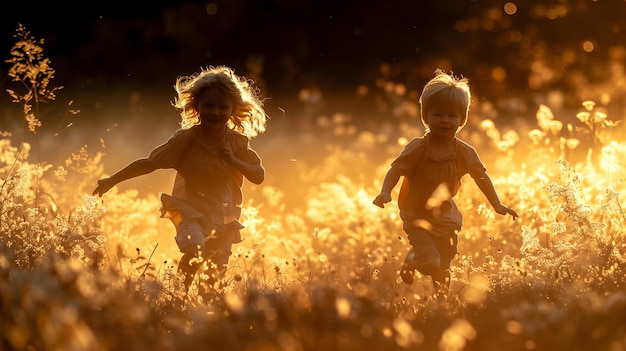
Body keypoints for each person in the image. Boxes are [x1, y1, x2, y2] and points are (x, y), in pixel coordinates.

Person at [93, 66, 268, 293]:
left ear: (233, 109)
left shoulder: (237, 143)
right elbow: (149, 163)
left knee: (215, 274)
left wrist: (234, 161)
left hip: (223, 216)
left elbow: (258, 175)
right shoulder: (185, 141)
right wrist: (113, 179)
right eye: (209, 105)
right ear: (196, 107)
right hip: (191, 210)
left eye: (222, 107)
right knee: (194, 248)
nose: (215, 112)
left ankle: (205, 308)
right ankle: (179, 292)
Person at [373, 69, 518, 295]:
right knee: (430, 262)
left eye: (452, 116)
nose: (445, 120)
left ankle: (442, 300)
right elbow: (396, 170)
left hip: (446, 215)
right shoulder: (418, 148)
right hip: (417, 214)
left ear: (462, 119)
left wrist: (497, 205)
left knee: (445, 260)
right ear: (425, 117)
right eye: (437, 114)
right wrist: (385, 192)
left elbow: (482, 177)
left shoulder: (464, 152)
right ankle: (412, 259)